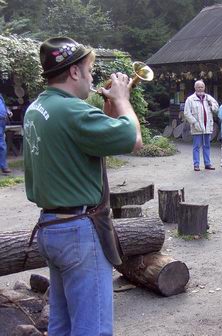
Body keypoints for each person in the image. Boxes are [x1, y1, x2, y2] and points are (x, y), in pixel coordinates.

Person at [24, 37, 143, 335]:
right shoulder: (73, 111)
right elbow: (134, 140)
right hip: (78, 232)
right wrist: (123, 100)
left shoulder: (36, 108)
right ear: (74, 72)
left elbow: (88, 142)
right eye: (89, 70)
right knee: (93, 328)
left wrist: (108, 109)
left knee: (62, 325)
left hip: (51, 226)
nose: (92, 77)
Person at [184, 80, 219, 171]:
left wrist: (212, 106)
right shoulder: (190, 99)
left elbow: (216, 107)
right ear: (195, 88)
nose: (200, 89)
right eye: (198, 87)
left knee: (207, 145)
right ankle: (196, 164)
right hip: (197, 127)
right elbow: (187, 113)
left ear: (204, 88)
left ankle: (207, 164)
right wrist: (194, 123)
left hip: (207, 126)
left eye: (202, 87)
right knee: (196, 146)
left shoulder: (208, 98)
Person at [0, 93, 12, 174]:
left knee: (2, 144)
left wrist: (8, 111)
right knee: (2, 144)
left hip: (2, 121)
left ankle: (4, 166)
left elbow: (3, 105)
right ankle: (4, 167)